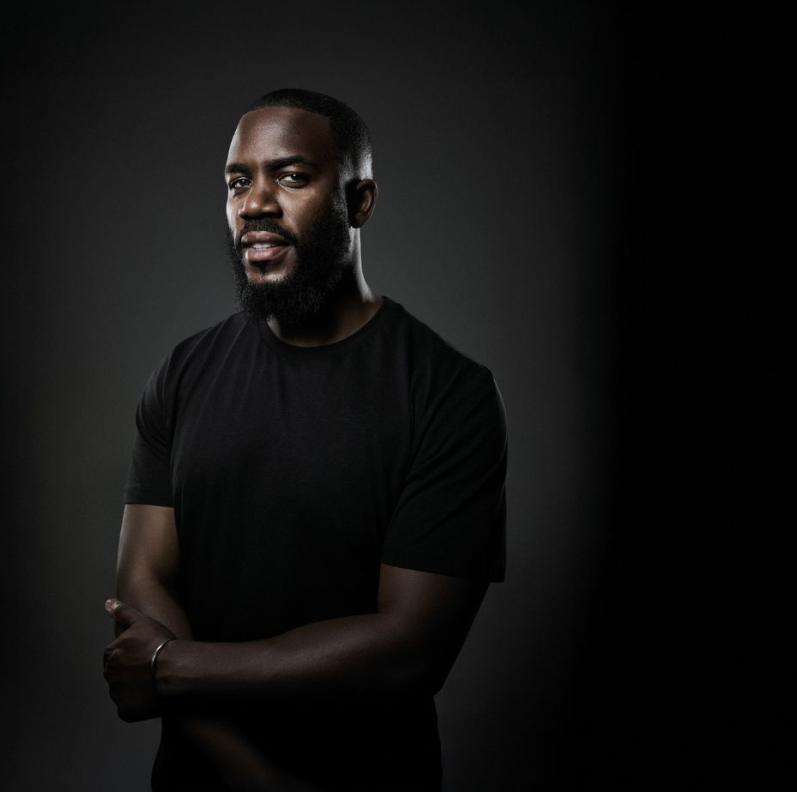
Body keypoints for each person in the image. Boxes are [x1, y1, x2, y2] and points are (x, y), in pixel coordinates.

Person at [102, 88, 507, 791]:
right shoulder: (182, 374)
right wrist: (251, 773)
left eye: (290, 176)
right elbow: (144, 587)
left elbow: (407, 651)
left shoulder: (450, 393)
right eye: (238, 181)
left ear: (360, 201)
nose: (255, 203)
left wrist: (173, 670)